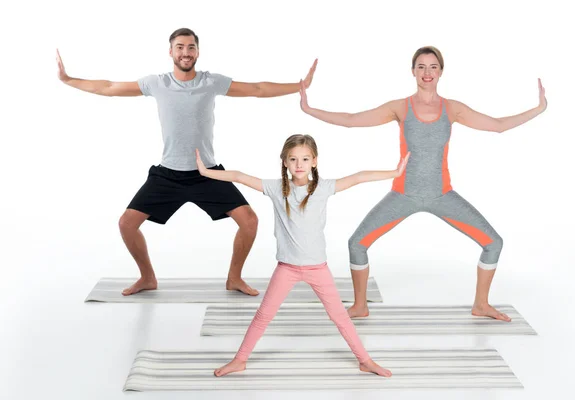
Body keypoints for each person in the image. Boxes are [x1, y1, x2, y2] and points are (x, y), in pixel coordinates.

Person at [56, 28, 318, 296]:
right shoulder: (157, 83)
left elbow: (257, 89)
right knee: (126, 223)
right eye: (180, 47)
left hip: (208, 174)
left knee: (249, 221)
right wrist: (68, 79)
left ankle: (234, 278)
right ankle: (147, 277)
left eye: (191, 47)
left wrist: (300, 86)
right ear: (170, 52)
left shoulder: (210, 82)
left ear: (198, 52)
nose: (185, 52)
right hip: (168, 175)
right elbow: (109, 87)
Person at [299, 46, 547, 322]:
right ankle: (359, 306)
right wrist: (310, 110)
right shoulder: (400, 107)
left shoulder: (451, 109)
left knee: (493, 242)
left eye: (432, 67)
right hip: (403, 194)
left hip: (442, 195)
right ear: (413, 71)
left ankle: (481, 304)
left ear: (441, 71)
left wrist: (538, 109)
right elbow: (351, 121)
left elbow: (498, 125)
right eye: (421, 67)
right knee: (357, 243)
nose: (427, 72)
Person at [195, 134, 410, 377]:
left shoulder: (323, 188)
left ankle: (365, 360)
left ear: (314, 162)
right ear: (285, 162)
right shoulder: (275, 188)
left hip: (318, 268)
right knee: (263, 315)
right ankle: (240, 359)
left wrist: (394, 173)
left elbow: (359, 177)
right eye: (293, 159)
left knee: (339, 317)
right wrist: (205, 172)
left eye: (305, 159)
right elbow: (238, 177)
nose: (299, 164)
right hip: (286, 268)